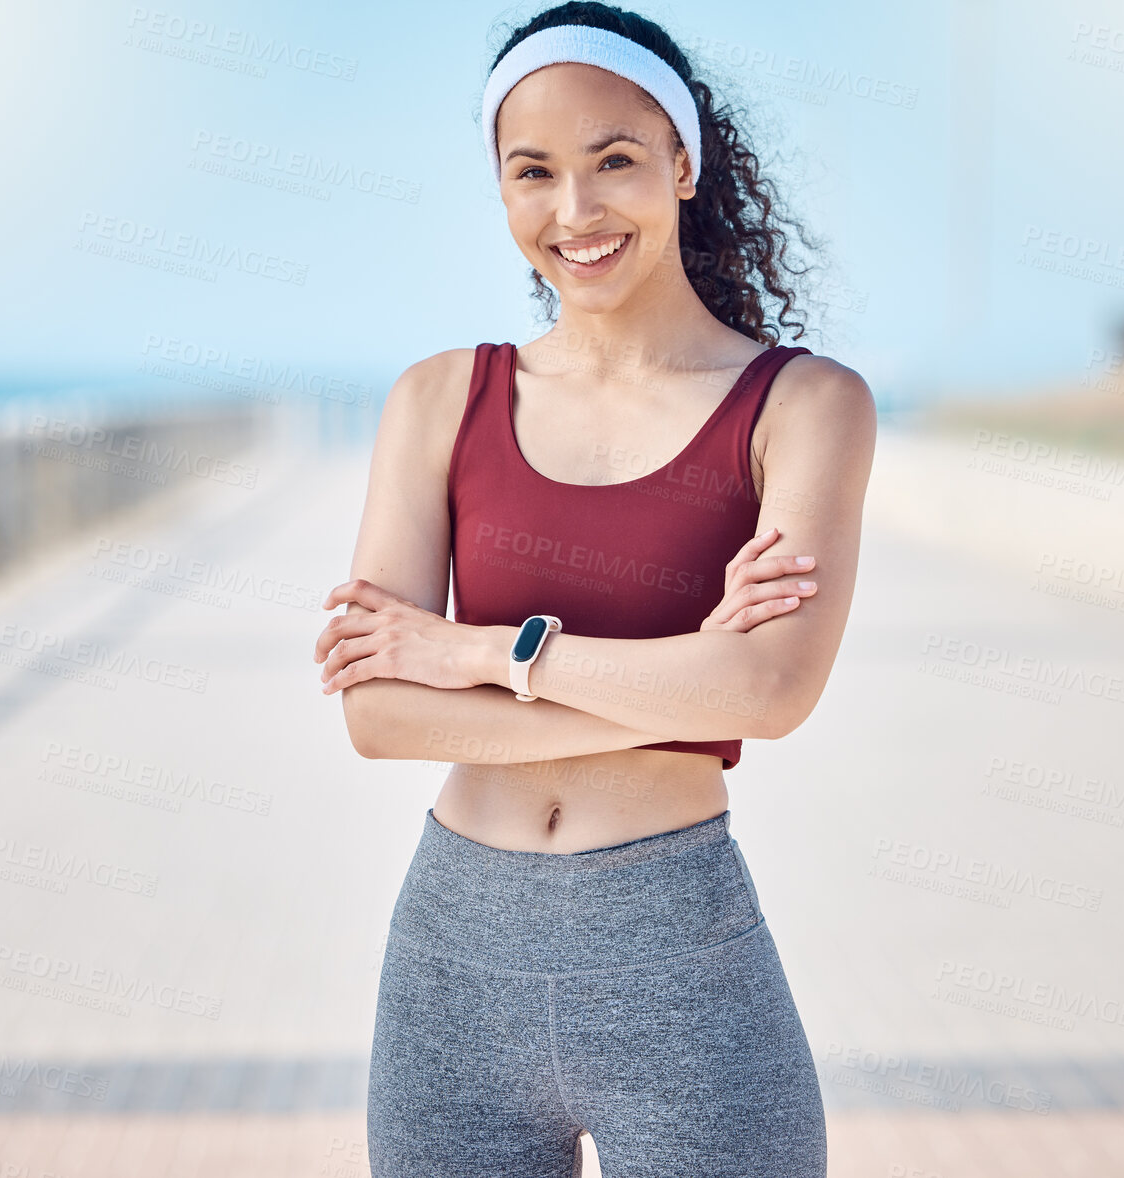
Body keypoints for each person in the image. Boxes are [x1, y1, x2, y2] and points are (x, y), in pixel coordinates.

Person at [311, 3, 876, 1173]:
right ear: (503, 191)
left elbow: (771, 689)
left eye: (613, 159)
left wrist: (480, 651)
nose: (574, 211)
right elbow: (376, 711)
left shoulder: (803, 407)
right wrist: (683, 682)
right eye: (534, 173)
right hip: (452, 962)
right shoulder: (435, 399)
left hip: (679, 952)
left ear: (680, 162)